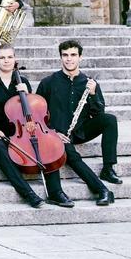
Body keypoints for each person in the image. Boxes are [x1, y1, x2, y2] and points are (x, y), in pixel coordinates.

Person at [0, 45, 113, 208]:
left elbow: (30, 112)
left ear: (15, 59)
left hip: (21, 130)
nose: (6, 61)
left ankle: (55, 192)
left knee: (48, 144)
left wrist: (27, 94)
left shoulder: (23, 82)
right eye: (2, 58)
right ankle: (28, 193)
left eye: (9, 57)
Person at [36, 39, 121, 184]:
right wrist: (52, 132)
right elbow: (37, 113)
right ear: (60, 57)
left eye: (73, 55)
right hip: (58, 134)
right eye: (65, 55)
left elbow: (98, 114)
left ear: (80, 57)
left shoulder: (89, 83)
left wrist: (93, 95)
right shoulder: (48, 83)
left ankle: (108, 168)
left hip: (80, 131)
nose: (69, 59)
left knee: (110, 120)